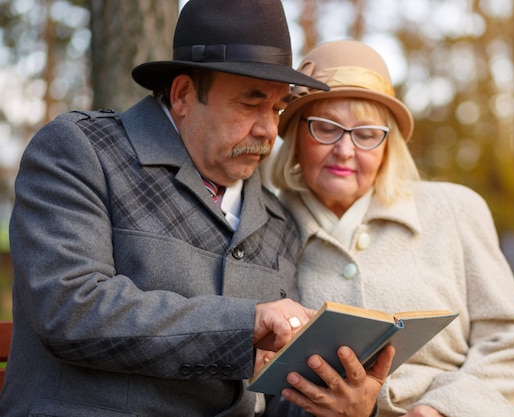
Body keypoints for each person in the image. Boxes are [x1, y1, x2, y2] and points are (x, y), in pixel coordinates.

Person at [0, 3, 393, 416]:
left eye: (277, 109)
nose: (269, 130)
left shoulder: (277, 222)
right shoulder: (82, 152)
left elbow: (275, 396)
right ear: (183, 94)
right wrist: (249, 323)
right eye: (249, 104)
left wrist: (341, 404)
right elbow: (71, 311)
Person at [267, 39, 514, 417]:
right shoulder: (267, 223)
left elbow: (512, 339)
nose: (345, 151)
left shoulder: (454, 208)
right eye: (325, 128)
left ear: (388, 146)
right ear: (297, 135)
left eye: (366, 134)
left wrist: (442, 409)